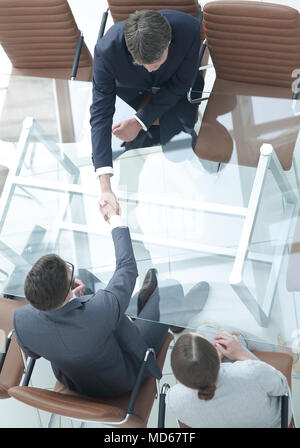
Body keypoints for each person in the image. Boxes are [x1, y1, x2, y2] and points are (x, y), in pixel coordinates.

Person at [13, 204, 209, 399]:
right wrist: (115, 219)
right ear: (67, 294)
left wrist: (70, 302)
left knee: (84, 276)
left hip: (77, 380)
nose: (72, 275)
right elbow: (127, 268)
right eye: (69, 277)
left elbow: (35, 353)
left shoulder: (21, 320)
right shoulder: (99, 312)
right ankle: (178, 318)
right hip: (127, 375)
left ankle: (134, 303)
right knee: (170, 288)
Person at [90, 9, 204, 220]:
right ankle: (129, 196)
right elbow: (100, 111)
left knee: (178, 153)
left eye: (156, 62)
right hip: (133, 89)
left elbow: (180, 85)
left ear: (169, 42)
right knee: (121, 146)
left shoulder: (189, 29)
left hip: (174, 88)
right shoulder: (106, 51)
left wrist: (140, 120)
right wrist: (105, 187)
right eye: (143, 64)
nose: (150, 69)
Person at [166, 329, 293, 428]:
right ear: (215, 358)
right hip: (276, 422)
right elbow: (282, 386)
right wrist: (240, 354)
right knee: (231, 337)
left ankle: (217, 334)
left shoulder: (173, 399)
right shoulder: (250, 372)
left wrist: (212, 364)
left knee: (205, 330)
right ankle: (291, 353)